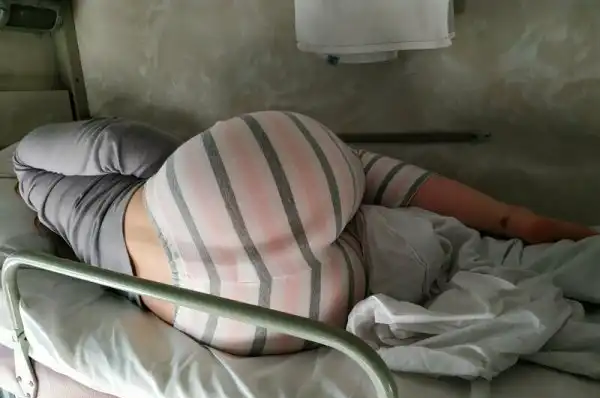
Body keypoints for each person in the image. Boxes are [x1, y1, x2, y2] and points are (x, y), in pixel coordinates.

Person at [13, 111, 597, 355]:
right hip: (213, 214)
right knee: (359, 176)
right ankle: (516, 222)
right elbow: (121, 145)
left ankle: (509, 232)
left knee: (379, 228)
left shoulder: (71, 239)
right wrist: (198, 173)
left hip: (269, 318)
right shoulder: (24, 160)